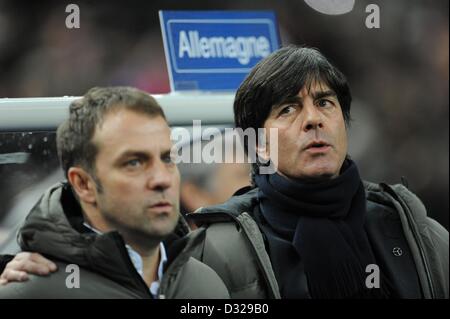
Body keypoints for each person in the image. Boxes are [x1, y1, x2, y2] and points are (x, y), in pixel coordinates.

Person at [2, 46, 449, 299]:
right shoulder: (213, 249)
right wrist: (54, 265)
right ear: (256, 141)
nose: (313, 120)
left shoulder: (411, 228)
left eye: (325, 103)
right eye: (289, 108)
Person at [0, 87, 229, 298]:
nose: (162, 179)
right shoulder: (30, 290)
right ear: (83, 184)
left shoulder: (206, 283)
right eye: (134, 163)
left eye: (167, 158)